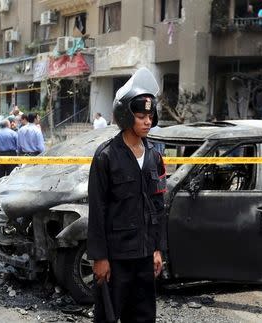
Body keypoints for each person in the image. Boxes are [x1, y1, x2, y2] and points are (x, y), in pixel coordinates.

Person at [87, 67, 166, 323]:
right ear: (125, 115)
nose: (147, 121)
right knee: (107, 318)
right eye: (141, 115)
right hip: (116, 259)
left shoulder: (154, 155)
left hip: (144, 259)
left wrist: (157, 250)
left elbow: (157, 207)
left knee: (143, 318)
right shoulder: (107, 156)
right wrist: (100, 257)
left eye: (150, 116)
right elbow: (97, 211)